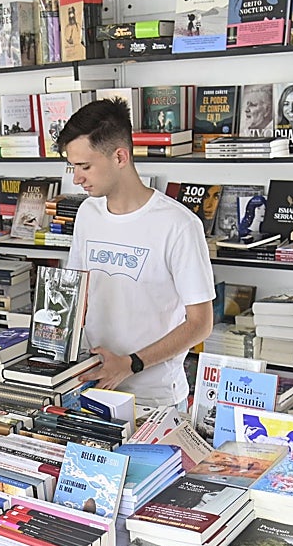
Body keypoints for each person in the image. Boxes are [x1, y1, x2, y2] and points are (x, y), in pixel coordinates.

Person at [61, 99, 215, 406]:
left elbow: (201, 323)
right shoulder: (87, 213)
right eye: (72, 167)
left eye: (85, 167)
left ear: (120, 156)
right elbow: (75, 292)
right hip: (90, 386)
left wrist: (131, 363)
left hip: (154, 398)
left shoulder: (179, 225)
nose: (76, 178)